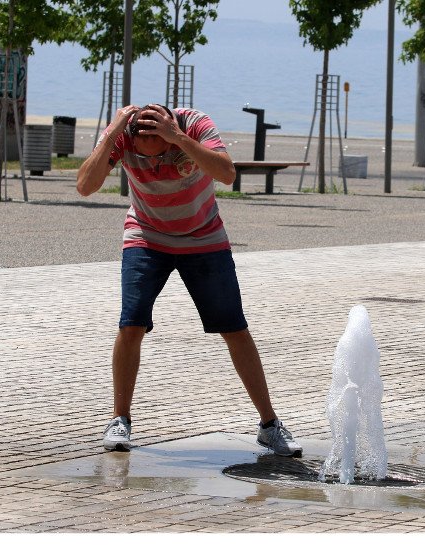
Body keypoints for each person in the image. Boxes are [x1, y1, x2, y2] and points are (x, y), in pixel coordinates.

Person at [76, 103, 302, 457]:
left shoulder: (194, 125)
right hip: (146, 236)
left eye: (160, 151)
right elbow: (85, 187)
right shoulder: (124, 136)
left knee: (234, 327)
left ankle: (270, 426)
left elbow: (227, 174)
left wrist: (177, 138)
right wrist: (111, 135)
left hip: (203, 237)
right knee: (131, 324)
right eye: (142, 154)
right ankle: (120, 419)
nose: (152, 162)